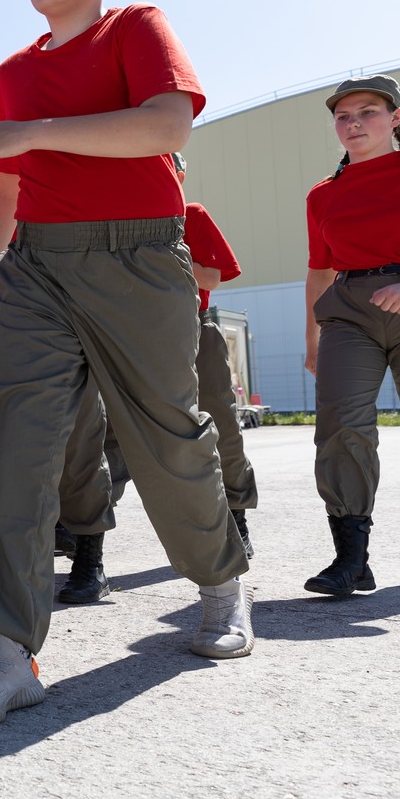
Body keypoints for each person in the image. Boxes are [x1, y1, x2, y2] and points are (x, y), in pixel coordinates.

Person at [0, 0, 253, 730]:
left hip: (138, 256)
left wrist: (34, 131)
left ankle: (221, 582)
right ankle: (9, 651)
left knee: (166, 434)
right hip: (38, 265)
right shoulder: (12, 69)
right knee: (14, 442)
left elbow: (166, 124)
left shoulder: (135, 28)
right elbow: (4, 183)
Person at [303, 74, 400, 594]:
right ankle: (351, 557)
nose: (354, 122)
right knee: (342, 427)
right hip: (348, 312)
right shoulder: (323, 195)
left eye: (367, 112)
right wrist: (313, 339)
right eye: (343, 116)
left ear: (396, 119)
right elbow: (318, 273)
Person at [174, 152, 259, 557]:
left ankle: (236, 516)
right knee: (113, 434)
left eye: (167, 165)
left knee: (220, 421)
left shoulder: (191, 214)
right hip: (136, 335)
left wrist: (161, 252)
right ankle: (86, 537)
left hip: (193, 328)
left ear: (181, 172)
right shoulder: (119, 223)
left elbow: (211, 277)